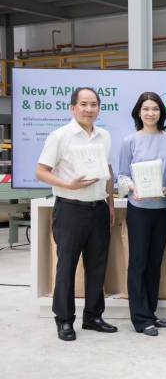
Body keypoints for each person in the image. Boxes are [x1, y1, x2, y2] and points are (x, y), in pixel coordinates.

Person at [35, 87, 117, 341]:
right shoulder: (60, 136)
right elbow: (41, 171)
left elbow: (108, 172)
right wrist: (67, 185)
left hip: (98, 209)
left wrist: (110, 204)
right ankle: (64, 320)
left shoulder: (104, 136)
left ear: (99, 108)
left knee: (97, 266)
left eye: (93, 104)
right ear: (73, 107)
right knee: (67, 266)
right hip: (70, 208)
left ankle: (93, 316)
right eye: (83, 104)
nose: (89, 109)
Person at [118, 92, 166, 336]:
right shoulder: (129, 141)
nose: (150, 113)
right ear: (138, 113)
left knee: (155, 262)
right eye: (146, 109)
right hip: (139, 209)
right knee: (138, 262)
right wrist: (134, 188)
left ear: (161, 112)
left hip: (164, 207)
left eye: (155, 109)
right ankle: (140, 319)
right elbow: (122, 176)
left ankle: (150, 312)